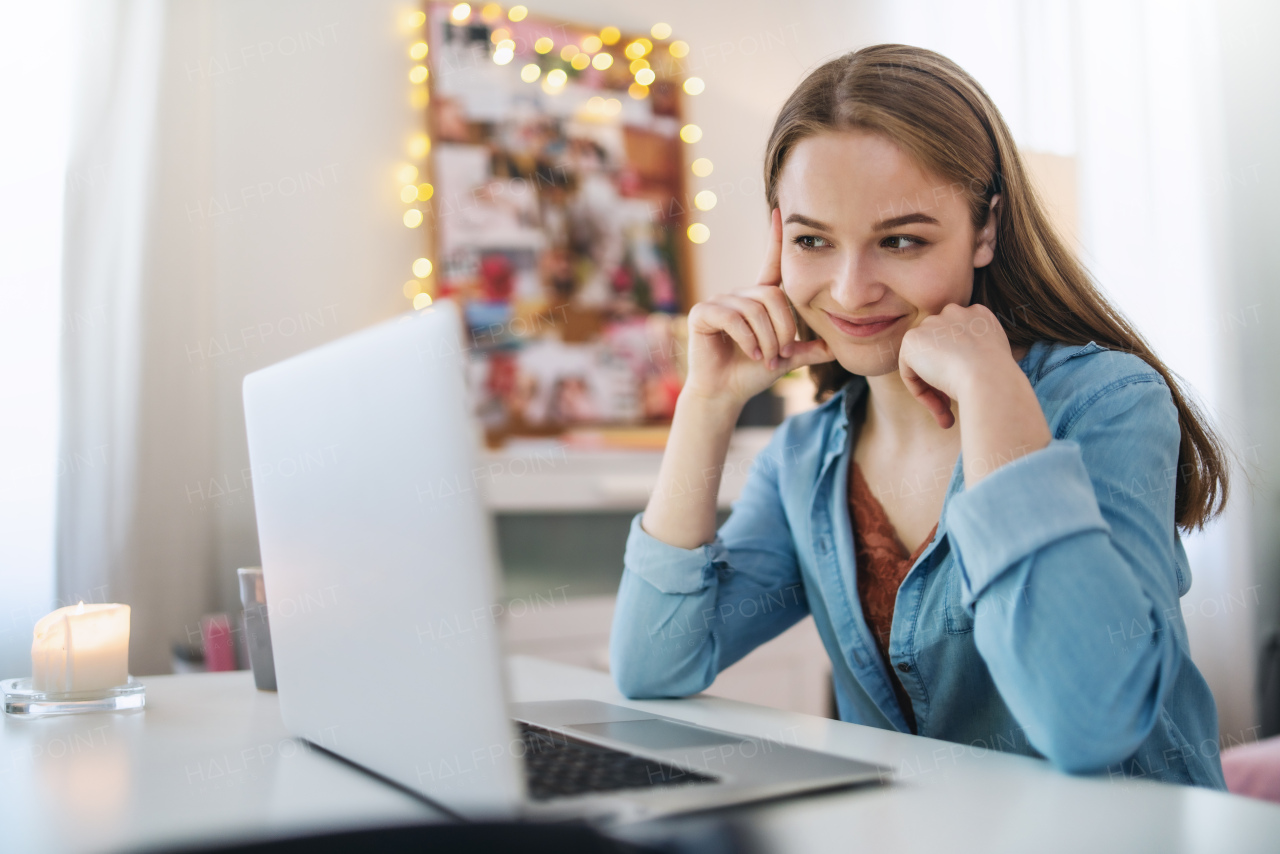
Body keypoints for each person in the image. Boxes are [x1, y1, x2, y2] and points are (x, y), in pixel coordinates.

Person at [608, 44, 1232, 788]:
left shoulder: (1104, 402)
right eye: (813, 240)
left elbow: (1089, 723)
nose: (849, 289)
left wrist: (995, 396)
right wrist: (707, 404)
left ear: (985, 230)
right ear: (779, 236)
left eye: (901, 240)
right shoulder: (805, 456)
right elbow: (653, 666)